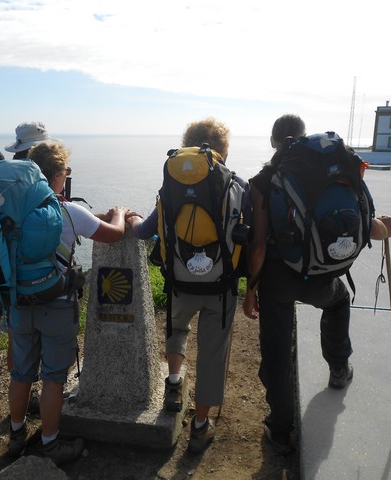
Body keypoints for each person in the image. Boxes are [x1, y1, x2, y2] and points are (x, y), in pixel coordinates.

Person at [242, 114, 391, 455]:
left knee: (277, 350)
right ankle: (339, 368)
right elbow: (367, 225)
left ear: (273, 142)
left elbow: (258, 246)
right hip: (322, 276)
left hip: (278, 279)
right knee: (339, 302)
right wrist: (385, 228)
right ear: (302, 137)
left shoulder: (263, 180)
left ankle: (281, 430)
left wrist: (251, 289)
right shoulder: (335, 166)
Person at [127, 117, 249, 454]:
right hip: (222, 286)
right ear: (223, 149)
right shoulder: (237, 185)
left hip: (180, 280)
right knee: (212, 351)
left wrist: (132, 218)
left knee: (177, 328)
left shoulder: (172, 185)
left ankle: (175, 383)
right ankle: (199, 426)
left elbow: (144, 230)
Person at [7, 140, 130, 464]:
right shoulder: (66, 211)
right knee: (53, 377)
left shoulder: (13, 211)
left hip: (19, 302)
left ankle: (16, 436)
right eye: (66, 171)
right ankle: (50, 444)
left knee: (21, 373)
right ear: (59, 174)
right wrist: (118, 214)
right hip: (56, 303)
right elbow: (113, 234)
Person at [0, 121, 52, 405]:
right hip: (22, 268)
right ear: (40, 146)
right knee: (20, 332)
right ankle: (24, 400)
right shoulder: (37, 173)